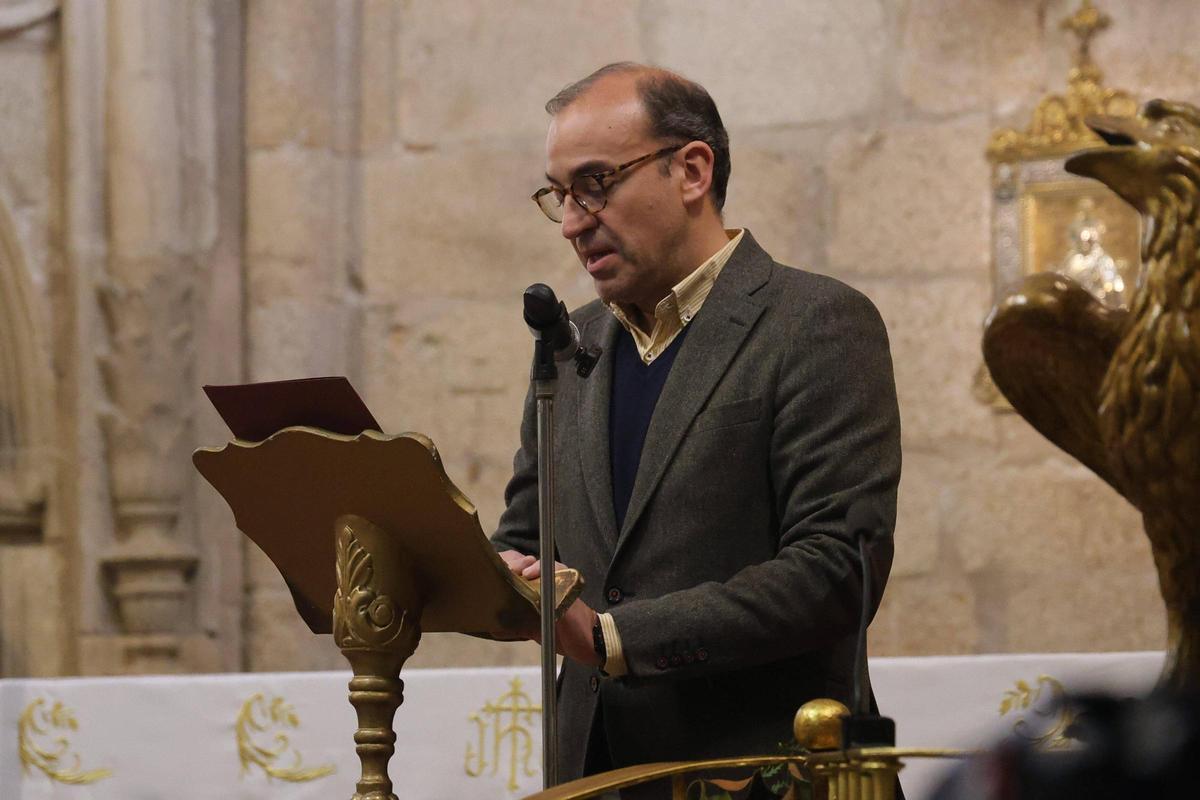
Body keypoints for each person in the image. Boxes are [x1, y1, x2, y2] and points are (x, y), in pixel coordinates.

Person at [491, 62, 902, 785]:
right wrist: (479, 571)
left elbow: (839, 569)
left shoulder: (815, 323)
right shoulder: (569, 342)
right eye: (559, 196)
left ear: (691, 170)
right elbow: (528, 536)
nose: (574, 223)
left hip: (763, 771)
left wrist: (614, 636)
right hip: (594, 769)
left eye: (595, 184)